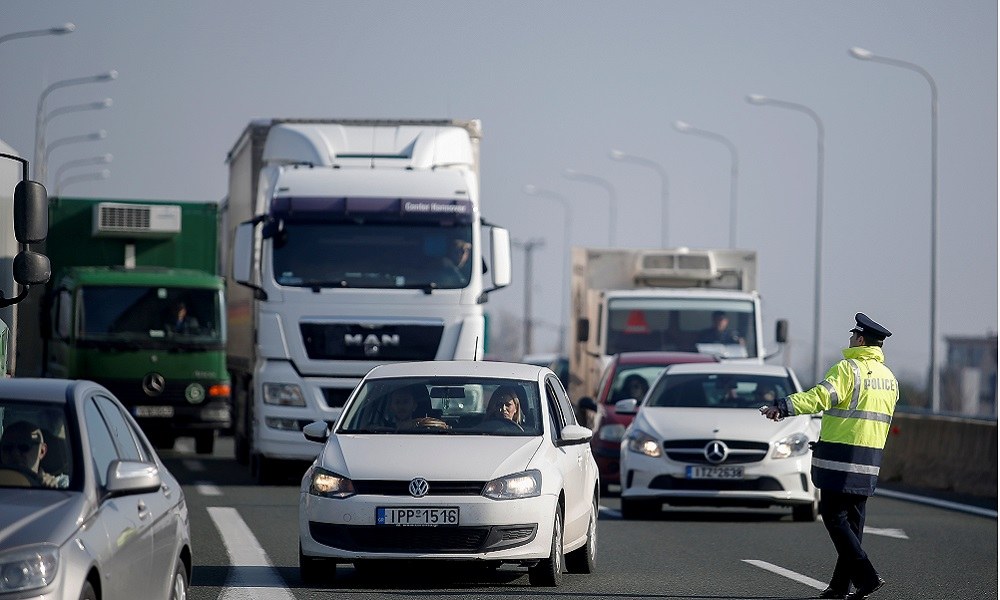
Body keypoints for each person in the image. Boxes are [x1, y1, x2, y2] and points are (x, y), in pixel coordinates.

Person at [761, 313, 897, 600]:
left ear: (861, 340)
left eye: (853, 335)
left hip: (841, 456)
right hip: (870, 458)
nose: (850, 339)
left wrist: (783, 406)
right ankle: (839, 587)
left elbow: (819, 398)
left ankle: (867, 576)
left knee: (834, 516)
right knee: (853, 524)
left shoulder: (848, 369)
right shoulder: (889, 378)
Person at [0, 421, 69, 488]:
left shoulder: (62, 484)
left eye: (24, 446)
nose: (15, 453)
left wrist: (51, 490)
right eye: (7, 447)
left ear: (42, 451)